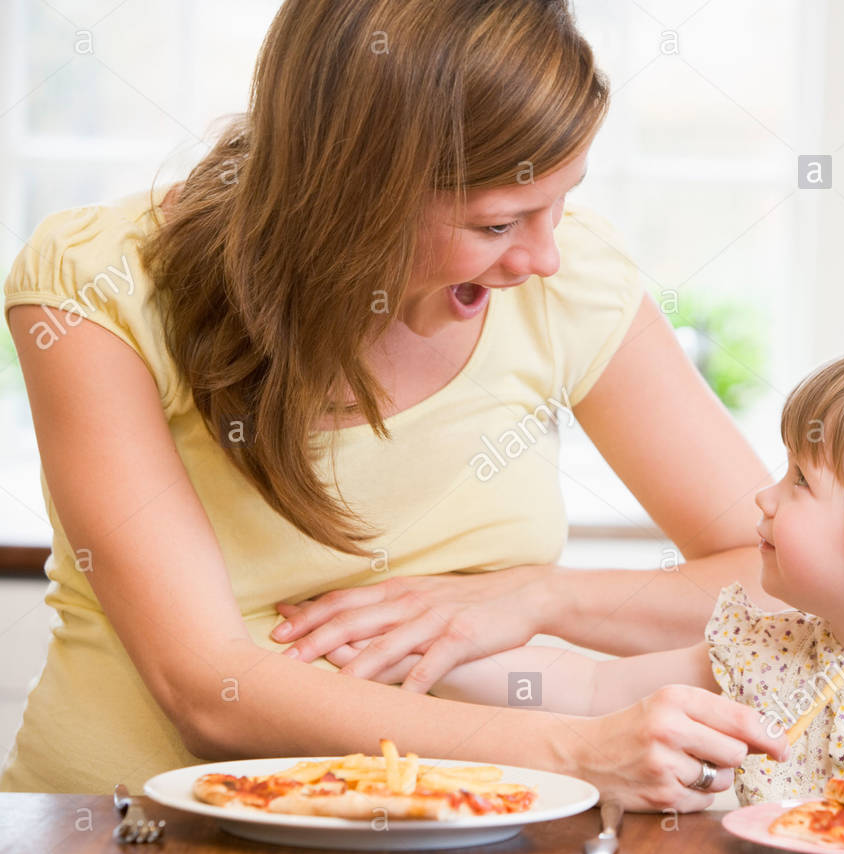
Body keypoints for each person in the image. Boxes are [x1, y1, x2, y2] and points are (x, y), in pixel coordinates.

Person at [0, 0, 788, 809]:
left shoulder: (573, 282)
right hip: (126, 840)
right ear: (348, 196)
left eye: (562, 200)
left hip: (479, 845)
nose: (543, 255)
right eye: (497, 222)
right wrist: (571, 750)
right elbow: (211, 691)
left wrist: (538, 596)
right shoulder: (101, 283)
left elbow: (783, 581)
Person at [368, 345, 844, 814]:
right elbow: (591, 692)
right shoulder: (761, 653)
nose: (763, 496)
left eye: (799, 481)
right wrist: (414, 649)